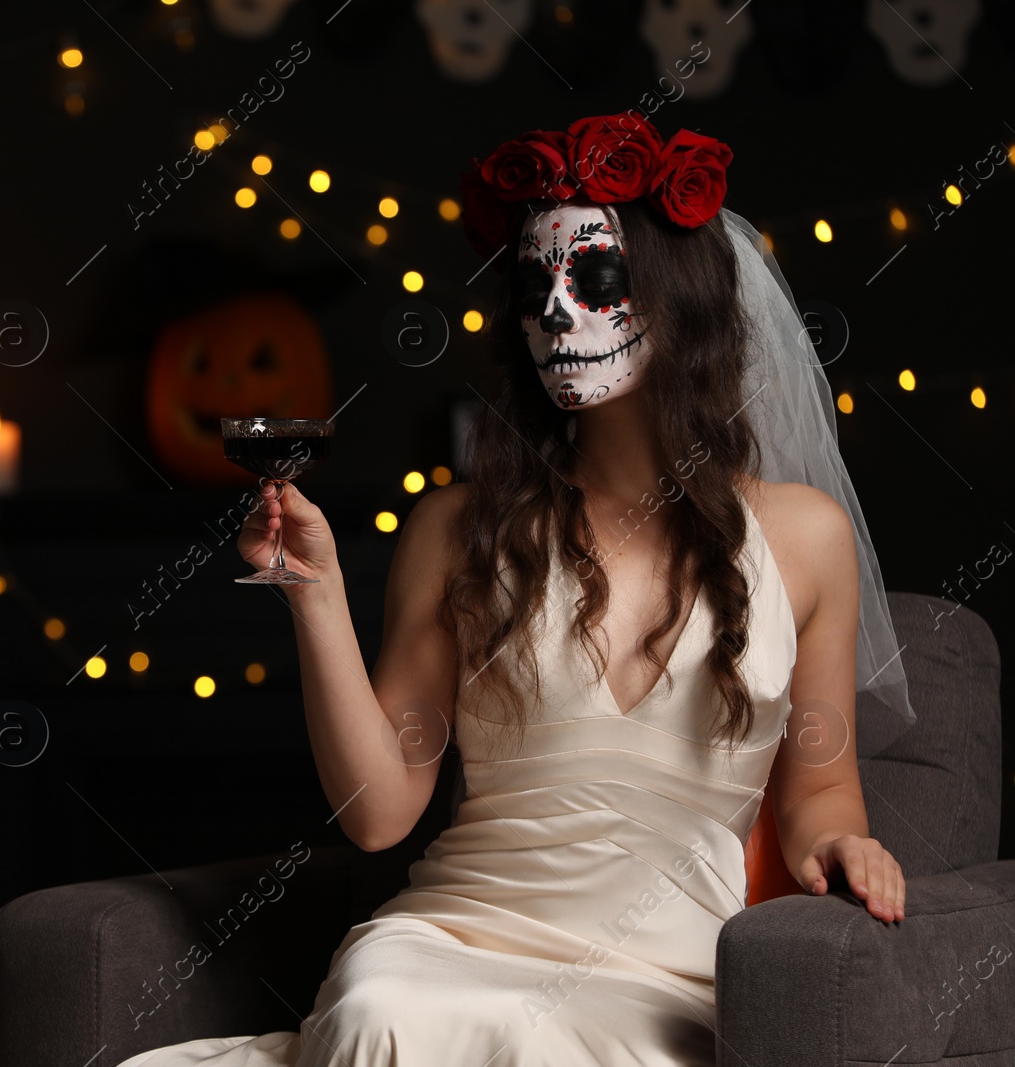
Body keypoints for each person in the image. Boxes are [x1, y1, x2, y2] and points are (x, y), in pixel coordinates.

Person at [112, 115, 916, 1067]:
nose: (557, 314)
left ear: (679, 300)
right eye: (535, 286)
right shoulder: (456, 527)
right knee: (383, 1010)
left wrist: (843, 846)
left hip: (665, 978)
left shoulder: (806, 537)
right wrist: (315, 594)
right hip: (448, 944)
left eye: (594, 280)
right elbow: (379, 813)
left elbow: (820, 785)